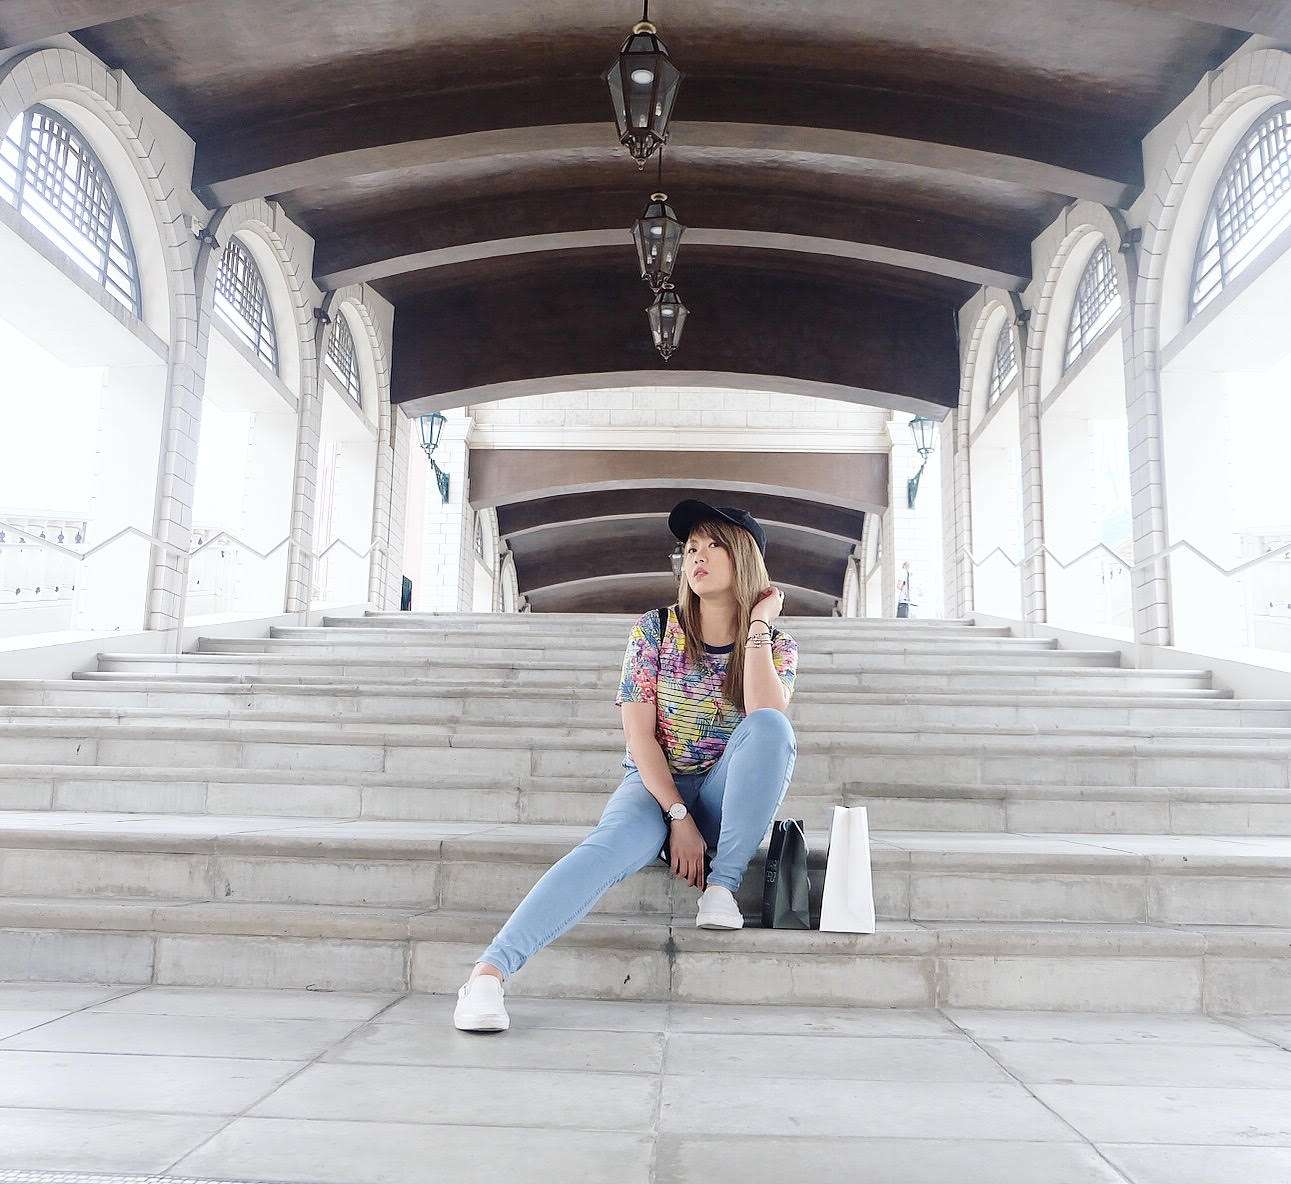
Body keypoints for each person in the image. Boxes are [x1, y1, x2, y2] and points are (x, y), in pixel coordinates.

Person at [453, 499, 799, 1032]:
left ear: (744, 558)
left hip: (724, 798)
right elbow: (639, 739)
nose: (697, 558)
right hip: (654, 788)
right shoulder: (655, 630)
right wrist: (677, 817)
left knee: (773, 727)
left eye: (713, 546)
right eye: (690, 549)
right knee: (605, 847)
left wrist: (757, 626)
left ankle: (722, 886)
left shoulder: (776, 646)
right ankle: (487, 975)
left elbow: (763, 715)